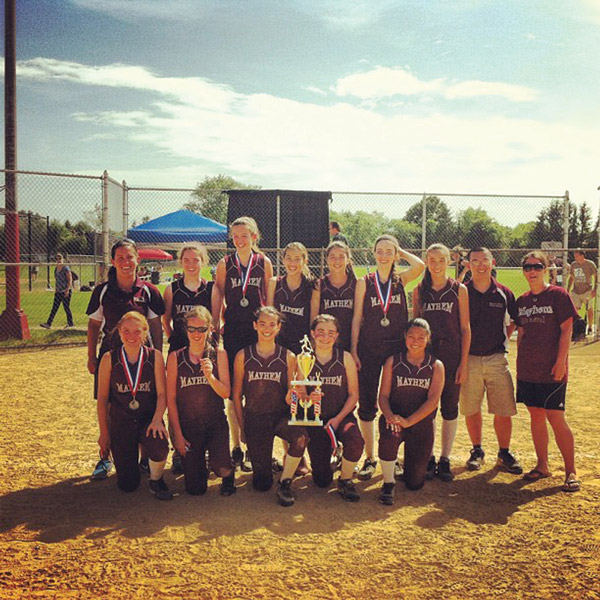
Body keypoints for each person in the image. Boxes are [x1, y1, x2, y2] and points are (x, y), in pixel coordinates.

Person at [87, 238, 165, 480]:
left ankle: (143, 457)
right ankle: (105, 457)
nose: (125, 262)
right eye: (120, 257)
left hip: (142, 357)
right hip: (111, 357)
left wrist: (158, 358)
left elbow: (156, 327)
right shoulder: (103, 291)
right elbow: (93, 325)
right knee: (111, 404)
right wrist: (91, 356)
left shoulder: (149, 291)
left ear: (137, 260)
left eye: (129, 257)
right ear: (113, 261)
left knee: (145, 401)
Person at [351, 235, 425, 480]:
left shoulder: (400, 279)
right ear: (373, 254)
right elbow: (357, 318)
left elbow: (420, 266)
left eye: (388, 252)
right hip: (369, 348)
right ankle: (371, 457)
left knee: (396, 401)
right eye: (379, 251)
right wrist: (353, 349)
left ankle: (393, 456)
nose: (383, 256)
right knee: (368, 402)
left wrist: (400, 251)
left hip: (395, 350)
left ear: (394, 255)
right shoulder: (365, 282)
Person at [516, 251, 580, 492]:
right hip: (528, 369)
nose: (532, 270)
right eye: (528, 266)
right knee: (535, 415)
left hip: (552, 368)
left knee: (555, 416)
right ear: (524, 271)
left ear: (545, 269)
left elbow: (566, 330)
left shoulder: (558, 295)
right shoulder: (522, 301)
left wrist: (561, 361)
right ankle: (542, 465)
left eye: (537, 266)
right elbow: (521, 333)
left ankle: (570, 470)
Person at [232, 306, 308, 506]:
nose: (267, 328)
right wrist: (242, 428)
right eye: (262, 324)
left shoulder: (288, 356)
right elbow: (236, 396)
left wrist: (294, 396)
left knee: (301, 438)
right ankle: (265, 463)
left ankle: (285, 481)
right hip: (255, 419)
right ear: (255, 325)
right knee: (262, 483)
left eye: (272, 324)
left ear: (278, 328)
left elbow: (291, 398)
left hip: (280, 417)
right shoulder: (243, 355)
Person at [214, 217, 273, 471]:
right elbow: (218, 294)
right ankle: (236, 446)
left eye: (244, 235)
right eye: (235, 236)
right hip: (234, 333)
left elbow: (268, 300)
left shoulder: (264, 263)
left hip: (257, 333)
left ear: (254, 237)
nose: (239, 240)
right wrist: (215, 327)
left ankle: (253, 447)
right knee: (233, 391)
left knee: (254, 390)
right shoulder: (224, 263)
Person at [459, 247, 522, 475]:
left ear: (493, 262)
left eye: (484, 260)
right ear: (469, 264)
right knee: (471, 408)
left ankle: (504, 452)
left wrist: (504, 337)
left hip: (497, 358)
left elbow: (514, 320)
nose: (480, 264)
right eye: (475, 261)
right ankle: (477, 450)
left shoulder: (504, 292)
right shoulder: (462, 291)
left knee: (503, 408)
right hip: (469, 359)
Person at [96, 312, 172, 500]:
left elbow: (163, 394)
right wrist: (104, 433)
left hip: (147, 419)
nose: (131, 336)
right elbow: (103, 399)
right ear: (119, 332)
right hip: (122, 422)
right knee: (128, 484)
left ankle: (155, 479)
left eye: (137, 331)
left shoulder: (154, 357)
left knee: (159, 442)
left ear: (145, 332)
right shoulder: (109, 359)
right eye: (126, 331)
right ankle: (130, 462)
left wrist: (157, 420)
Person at [413, 243, 470, 482]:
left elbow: (465, 329)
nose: (436, 265)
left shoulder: (459, 289)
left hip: (451, 354)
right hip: (427, 357)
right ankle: (429, 457)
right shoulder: (420, 290)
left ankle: (445, 457)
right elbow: (415, 328)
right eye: (432, 260)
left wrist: (463, 363)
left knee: (449, 407)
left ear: (449, 262)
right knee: (428, 408)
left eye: (441, 260)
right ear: (426, 262)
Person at [166, 307, 235, 497]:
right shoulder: (175, 357)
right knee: (195, 489)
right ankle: (199, 462)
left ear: (210, 329)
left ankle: (226, 470)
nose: (196, 334)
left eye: (202, 329)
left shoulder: (219, 354)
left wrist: (210, 377)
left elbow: (226, 392)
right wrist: (177, 436)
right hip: (189, 425)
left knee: (221, 468)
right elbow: (170, 399)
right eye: (192, 329)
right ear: (185, 329)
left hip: (214, 423)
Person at [377, 319, 444, 504]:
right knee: (390, 437)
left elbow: (433, 401)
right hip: (396, 419)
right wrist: (390, 417)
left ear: (428, 338)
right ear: (404, 337)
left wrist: (409, 422)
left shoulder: (436, 365)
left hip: (420, 423)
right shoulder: (393, 361)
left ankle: (408, 464)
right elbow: (382, 396)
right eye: (411, 336)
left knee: (414, 483)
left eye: (421, 337)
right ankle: (388, 482)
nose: (415, 341)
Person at [304, 314, 363, 501]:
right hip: (316, 421)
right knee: (321, 481)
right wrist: (308, 399)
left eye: (331, 333)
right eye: (320, 332)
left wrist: (338, 419)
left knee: (355, 440)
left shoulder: (344, 358)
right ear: (313, 334)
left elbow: (354, 395)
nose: (325, 336)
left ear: (337, 336)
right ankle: (331, 456)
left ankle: (345, 479)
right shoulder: (303, 360)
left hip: (341, 416)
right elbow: (300, 396)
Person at [267, 242, 314, 355]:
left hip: (302, 344)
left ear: (305, 261)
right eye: (289, 258)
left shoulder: (312, 286)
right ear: (283, 260)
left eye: (297, 259)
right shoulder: (274, 283)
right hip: (279, 343)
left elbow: (313, 320)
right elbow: (269, 317)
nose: (292, 263)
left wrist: (312, 346)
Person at [310, 241, 356, 351]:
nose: (337, 261)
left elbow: (358, 318)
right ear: (326, 260)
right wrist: (313, 342)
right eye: (332, 257)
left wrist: (355, 347)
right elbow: (313, 317)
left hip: (349, 341)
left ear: (348, 259)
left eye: (341, 256)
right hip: (325, 342)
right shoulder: (319, 285)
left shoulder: (356, 284)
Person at [40, 253, 74, 329]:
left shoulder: (66, 268)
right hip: (58, 291)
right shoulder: (56, 269)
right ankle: (49, 323)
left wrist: (67, 290)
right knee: (54, 308)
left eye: (60, 258)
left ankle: (70, 323)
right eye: (57, 259)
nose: (58, 260)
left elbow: (70, 279)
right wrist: (56, 290)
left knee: (66, 307)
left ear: (62, 259)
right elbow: (57, 280)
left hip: (65, 290)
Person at [567, 249, 597, 334]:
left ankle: (590, 326)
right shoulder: (573, 264)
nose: (575, 257)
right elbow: (571, 278)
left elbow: (596, 277)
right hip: (576, 290)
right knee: (574, 309)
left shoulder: (590, 264)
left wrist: (594, 289)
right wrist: (568, 289)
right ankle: (576, 327)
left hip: (587, 290)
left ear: (582, 255)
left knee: (589, 309)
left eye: (577, 256)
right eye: (575, 256)